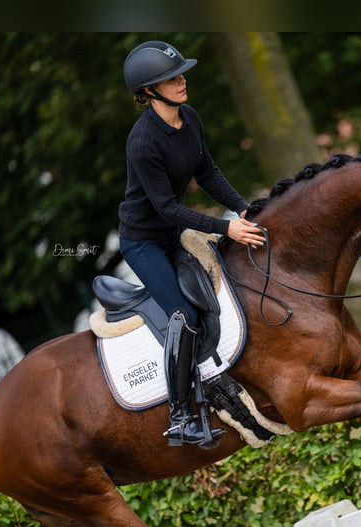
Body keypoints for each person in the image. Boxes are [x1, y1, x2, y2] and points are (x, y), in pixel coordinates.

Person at [119, 40, 265, 448]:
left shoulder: (190, 117)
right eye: (172, 77)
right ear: (149, 91)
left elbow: (208, 172)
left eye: (181, 73)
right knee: (183, 314)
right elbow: (165, 207)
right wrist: (224, 227)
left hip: (173, 231)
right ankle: (180, 415)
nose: (182, 80)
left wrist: (243, 209)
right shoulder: (143, 141)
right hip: (144, 242)